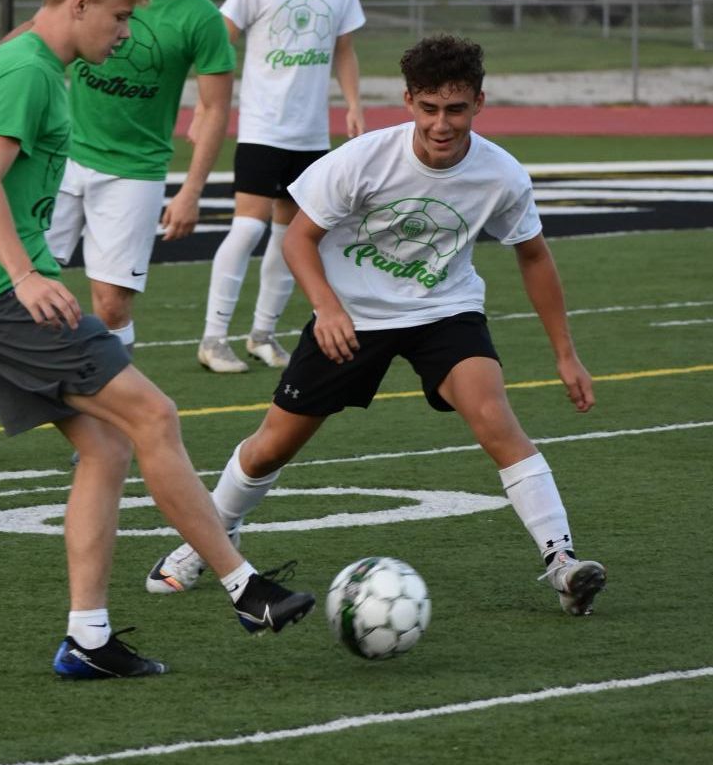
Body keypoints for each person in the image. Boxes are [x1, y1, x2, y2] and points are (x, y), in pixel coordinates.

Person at [0, 0, 315, 679]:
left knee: (105, 447)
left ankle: (89, 639)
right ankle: (244, 586)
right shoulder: (26, 74)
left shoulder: (21, 65)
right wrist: (26, 275)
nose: (127, 32)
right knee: (154, 415)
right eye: (118, 17)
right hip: (11, 299)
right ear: (78, 3)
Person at [149, 33, 607, 617]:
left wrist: (566, 354)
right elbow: (298, 239)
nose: (443, 124)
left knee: (495, 417)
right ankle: (206, 541)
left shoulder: (502, 175)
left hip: (443, 310)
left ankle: (562, 563)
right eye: (430, 108)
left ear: (479, 104)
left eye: (457, 110)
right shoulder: (361, 160)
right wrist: (327, 306)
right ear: (410, 101)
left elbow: (534, 256)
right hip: (352, 315)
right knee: (270, 449)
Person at [0, 0, 235, 448]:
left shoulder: (200, 18)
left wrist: (191, 189)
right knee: (8, 277)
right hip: (65, 158)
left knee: (110, 303)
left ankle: (109, 419)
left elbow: (213, 108)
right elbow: (48, 21)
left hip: (134, 170)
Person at [197, 0, 366, 375]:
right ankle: (212, 338)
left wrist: (353, 104)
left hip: (311, 135)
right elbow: (218, 40)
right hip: (262, 129)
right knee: (247, 228)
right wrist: (210, 108)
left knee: (293, 235)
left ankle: (262, 335)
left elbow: (345, 50)